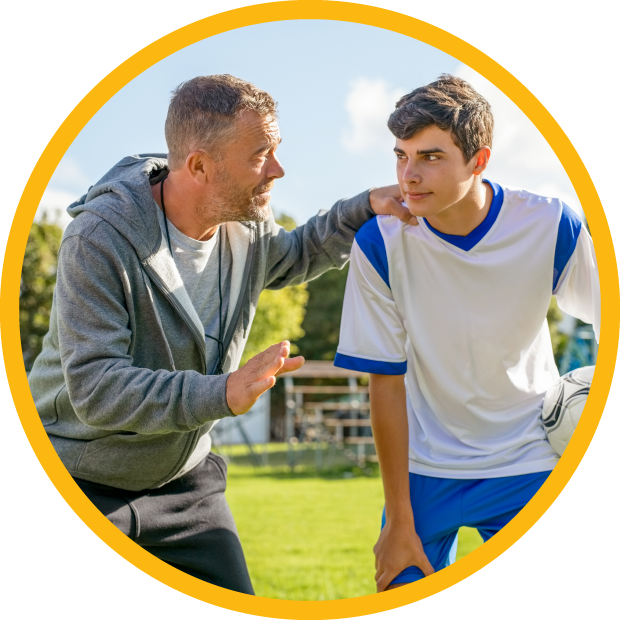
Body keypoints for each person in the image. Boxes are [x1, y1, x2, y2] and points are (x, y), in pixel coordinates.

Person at [27, 74, 414, 594]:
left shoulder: (246, 226)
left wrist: (364, 206)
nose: (277, 169)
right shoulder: (99, 239)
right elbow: (97, 388)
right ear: (200, 165)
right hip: (83, 485)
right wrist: (224, 392)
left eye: (275, 151)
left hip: (186, 485)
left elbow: (295, 254)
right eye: (260, 155)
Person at [333, 74, 600, 592]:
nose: (408, 176)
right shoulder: (379, 243)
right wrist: (398, 520)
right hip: (424, 468)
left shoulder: (549, 226)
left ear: (479, 160)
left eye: (430, 157)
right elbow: (384, 383)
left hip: (531, 460)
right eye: (401, 156)